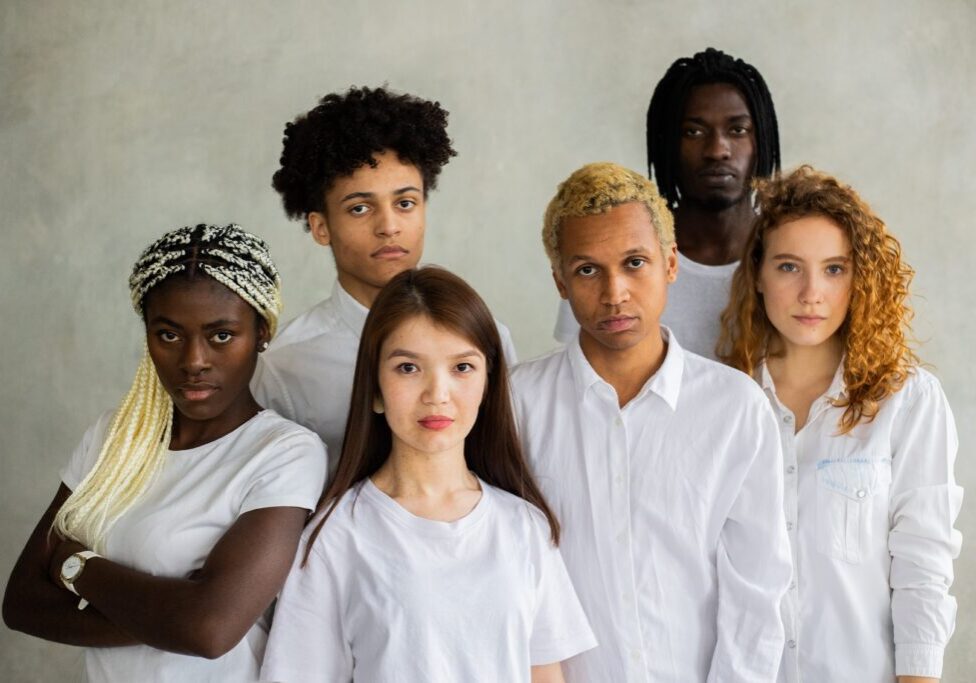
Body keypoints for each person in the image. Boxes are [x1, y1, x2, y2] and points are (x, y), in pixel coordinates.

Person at [2, 224, 327, 682]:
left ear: (261, 332)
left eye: (221, 336)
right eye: (170, 335)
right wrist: (173, 612)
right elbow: (21, 604)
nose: (194, 360)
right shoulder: (113, 437)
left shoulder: (284, 453)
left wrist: (74, 566)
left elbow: (209, 631)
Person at [512, 162, 792, 682]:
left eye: (634, 262)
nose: (614, 292)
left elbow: (756, 592)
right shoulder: (516, 406)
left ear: (670, 265)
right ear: (560, 281)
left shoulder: (736, 409)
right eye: (587, 270)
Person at [261, 267, 595, 683]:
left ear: (489, 385)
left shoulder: (525, 527)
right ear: (376, 389)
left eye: (462, 367)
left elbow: (545, 673)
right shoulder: (334, 537)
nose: (437, 393)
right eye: (408, 368)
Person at [718, 166, 963, 683]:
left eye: (834, 269)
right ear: (758, 275)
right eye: (789, 267)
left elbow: (923, 566)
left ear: (860, 279)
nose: (812, 293)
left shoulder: (908, 402)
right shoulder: (719, 401)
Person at [252, 86, 517, 466]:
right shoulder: (286, 365)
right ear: (321, 227)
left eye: (405, 203)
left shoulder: (485, 338)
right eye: (360, 208)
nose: (389, 226)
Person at [553, 48, 780, 360]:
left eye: (737, 130)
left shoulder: (793, 255)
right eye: (693, 131)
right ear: (667, 143)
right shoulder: (618, 249)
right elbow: (582, 373)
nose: (717, 150)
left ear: (762, 140)